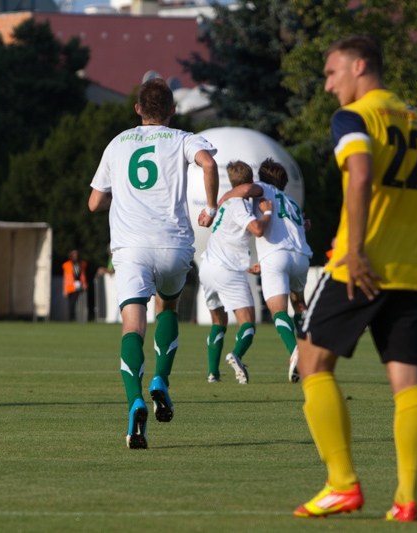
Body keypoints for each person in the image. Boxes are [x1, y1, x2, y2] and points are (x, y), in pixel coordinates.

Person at [292, 35, 417, 522]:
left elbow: (362, 174)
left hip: (359, 267)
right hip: (413, 273)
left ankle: (342, 484)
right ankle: (407, 499)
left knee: (312, 363)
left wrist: (355, 250)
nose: (328, 86)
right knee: (408, 382)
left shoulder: (354, 117)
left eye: (331, 73)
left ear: (359, 66)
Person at [88, 78, 219, 449]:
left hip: (131, 248)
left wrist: (121, 198)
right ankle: (161, 379)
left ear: (137, 109)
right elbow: (209, 163)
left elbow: (94, 203)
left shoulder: (118, 143)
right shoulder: (182, 139)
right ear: (173, 110)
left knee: (133, 323)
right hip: (173, 244)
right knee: (169, 307)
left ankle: (135, 401)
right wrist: (211, 207)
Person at [219, 158, 313, 383]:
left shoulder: (263, 189)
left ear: (262, 178)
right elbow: (296, 229)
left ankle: (296, 353)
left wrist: (221, 201)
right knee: (299, 303)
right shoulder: (291, 202)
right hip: (301, 256)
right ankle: (307, 351)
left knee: (278, 310)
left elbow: (245, 189)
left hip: (276, 256)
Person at [200, 161, 273, 384]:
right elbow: (257, 230)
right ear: (250, 180)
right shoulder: (238, 204)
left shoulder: (224, 203)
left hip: (207, 267)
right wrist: (267, 212)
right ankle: (236, 356)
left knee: (218, 321)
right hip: (227, 270)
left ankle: (213, 373)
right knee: (248, 323)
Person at [62, 250, 88, 322]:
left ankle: (71, 317)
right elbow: (65, 277)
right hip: (70, 287)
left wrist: (85, 284)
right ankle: (71, 317)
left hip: (78, 285)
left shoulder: (81, 264)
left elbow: (83, 275)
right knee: (71, 303)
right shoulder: (67, 265)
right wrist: (64, 289)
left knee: (73, 302)